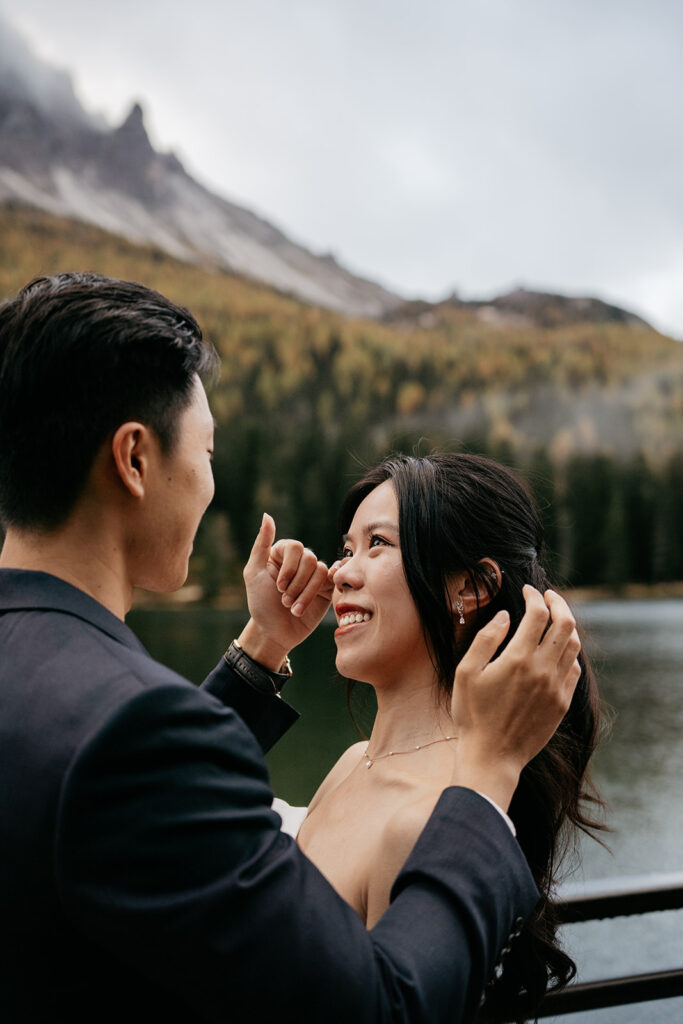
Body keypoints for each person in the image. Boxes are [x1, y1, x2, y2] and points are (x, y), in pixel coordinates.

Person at [0, 273, 580, 1024]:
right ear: (135, 460)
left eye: (377, 544)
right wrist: (487, 775)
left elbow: (114, 802)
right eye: (206, 453)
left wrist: (264, 644)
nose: (210, 484)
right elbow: (382, 1009)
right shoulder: (145, 736)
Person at [295, 452, 606, 1022]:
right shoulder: (352, 762)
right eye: (346, 548)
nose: (341, 571)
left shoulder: (429, 818)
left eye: (378, 544)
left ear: (469, 587)